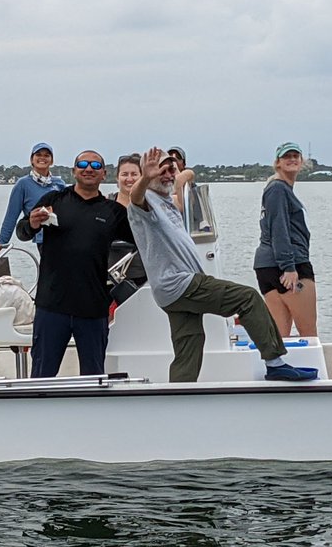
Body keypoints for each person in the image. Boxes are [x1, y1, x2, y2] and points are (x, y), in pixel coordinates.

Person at [128, 147, 315, 383]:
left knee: (190, 343)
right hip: (181, 282)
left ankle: (178, 395)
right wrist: (145, 176)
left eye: (170, 170)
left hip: (170, 292)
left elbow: (187, 177)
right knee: (247, 298)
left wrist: (176, 172)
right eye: (160, 171)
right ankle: (275, 363)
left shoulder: (167, 201)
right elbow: (135, 197)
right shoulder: (146, 204)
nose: (167, 175)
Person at [16, 150, 133, 378]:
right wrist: (32, 223)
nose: (88, 168)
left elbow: (145, 241)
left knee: (94, 377)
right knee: (41, 376)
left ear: (104, 174)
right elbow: (22, 232)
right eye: (83, 164)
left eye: (95, 165)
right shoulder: (53, 201)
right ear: (73, 171)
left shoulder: (114, 212)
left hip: (93, 308)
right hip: (52, 305)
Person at [253, 142, 317, 338]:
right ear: (277, 163)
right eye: (286, 156)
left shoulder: (277, 189)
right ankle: (314, 368)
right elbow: (279, 230)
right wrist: (289, 267)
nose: (292, 159)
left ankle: (280, 369)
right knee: (309, 333)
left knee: (280, 337)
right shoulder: (278, 189)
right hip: (289, 267)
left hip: (267, 267)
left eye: (295, 156)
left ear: (301, 161)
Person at [0, 142, 65, 251]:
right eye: (38, 155)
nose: (42, 158)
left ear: (52, 160)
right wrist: (2, 241)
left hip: (62, 236)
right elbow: (11, 215)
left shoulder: (59, 183)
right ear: (32, 159)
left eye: (46, 155)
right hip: (42, 239)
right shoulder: (23, 184)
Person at [108, 153, 147, 286]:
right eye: (124, 174)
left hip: (144, 275)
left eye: (134, 174)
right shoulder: (106, 204)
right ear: (117, 178)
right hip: (111, 276)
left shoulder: (149, 205)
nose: (129, 179)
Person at [168, 145, 195, 213]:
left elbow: (179, 179)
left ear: (184, 164)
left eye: (178, 158)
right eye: (170, 158)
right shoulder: (161, 184)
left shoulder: (188, 182)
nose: (174, 161)